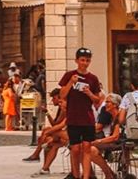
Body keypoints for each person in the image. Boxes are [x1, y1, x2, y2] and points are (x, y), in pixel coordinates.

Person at [59, 46, 102, 179]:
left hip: (87, 118)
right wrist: (71, 82)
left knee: (87, 148)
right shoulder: (69, 75)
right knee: (75, 149)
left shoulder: (93, 78)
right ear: (76, 60)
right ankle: (76, 175)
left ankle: (86, 176)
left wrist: (89, 93)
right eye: (82, 60)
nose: (84, 63)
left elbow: (97, 100)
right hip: (73, 118)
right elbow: (62, 95)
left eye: (87, 60)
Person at [90, 93, 122, 179]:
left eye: (108, 102)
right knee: (86, 146)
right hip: (112, 141)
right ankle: (109, 173)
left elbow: (115, 137)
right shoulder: (112, 117)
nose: (105, 104)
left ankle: (108, 174)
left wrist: (99, 141)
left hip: (118, 142)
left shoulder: (119, 117)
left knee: (90, 149)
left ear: (115, 105)